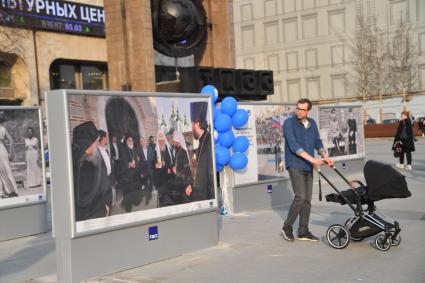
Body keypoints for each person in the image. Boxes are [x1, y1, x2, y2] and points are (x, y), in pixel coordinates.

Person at [281, 98, 334, 242]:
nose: (299, 111)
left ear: (308, 111)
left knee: (307, 200)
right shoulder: (289, 123)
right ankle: (287, 227)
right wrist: (314, 160)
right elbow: (294, 147)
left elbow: (317, 142)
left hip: (307, 166)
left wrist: (325, 156)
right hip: (295, 164)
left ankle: (303, 231)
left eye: (303, 109)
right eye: (298, 108)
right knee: (300, 197)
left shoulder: (312, 123)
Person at [72, 121, 112, 221]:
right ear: (87, 144)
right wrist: (103, 208)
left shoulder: (93, 156)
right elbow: (84, 200)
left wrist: (105, 204)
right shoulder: (78, 166)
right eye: (96, 141)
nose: (98, 144)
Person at [185, 101, 214, 201]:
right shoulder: (202, 141)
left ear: (197, 123)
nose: (191, 127)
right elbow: (201, 174)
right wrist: (193, 187)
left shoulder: (209, 140)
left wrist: (211, 201)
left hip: (206, 198)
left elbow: (211, 176)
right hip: (200, 195)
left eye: (192, 124)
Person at [117, 135, 143, 212]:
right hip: (127, 176)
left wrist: (138, 166)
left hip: (135, 176)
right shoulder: (123, 150)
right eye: (129, 140)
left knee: (135, 193)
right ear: (126, 141)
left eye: (131, 140)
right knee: (128, 194)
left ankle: (135, 201)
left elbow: (138, 160)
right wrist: (129, 164)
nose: (130, 142)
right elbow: (122, 161)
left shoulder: (135, 150)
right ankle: (127, 206)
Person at [0, 113, 19, 198]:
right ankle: (3, 192)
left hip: (2, 150)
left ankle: (14, 190)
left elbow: (11, 140)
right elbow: (10, 140)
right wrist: (10, 152)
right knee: (2, 172)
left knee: (7, 170)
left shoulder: (3, 128)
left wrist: (11, 152)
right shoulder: (3, 128)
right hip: (2, 149)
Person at [154, 130, 175, 206]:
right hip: (160, 178)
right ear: (158, 141)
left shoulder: (169, 149)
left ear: (164, 140)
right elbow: (154, 163)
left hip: (168, 177)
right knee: (162, 199)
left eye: (162, 140)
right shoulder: (156, 151)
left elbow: (172, 161)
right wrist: (155, 165)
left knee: (169, 197)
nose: (161, 142)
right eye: (160, 141)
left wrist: (170, 167)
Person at [171, 131, 192, 204]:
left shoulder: (183, 152)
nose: (173, 143)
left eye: (174, 142)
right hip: (178, 180)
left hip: (184, 182)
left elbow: (187, 169)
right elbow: (176, 163)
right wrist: (174, 167)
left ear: (178, 141)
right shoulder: (177, 151)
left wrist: (177, 172)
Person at [137, 137, 156, 205]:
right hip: (144, 171)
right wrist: (141, 173)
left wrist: (155, 168)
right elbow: (138, 163)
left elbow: (153, 158)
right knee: (146, 185)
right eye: (140, 142)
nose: (142, 143)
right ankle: (148, 198)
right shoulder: (139, 151)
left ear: (145, 141)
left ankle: (149, 195)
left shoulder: (150, 149)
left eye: (142, 141)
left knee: (150, 185)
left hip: (150, 170)